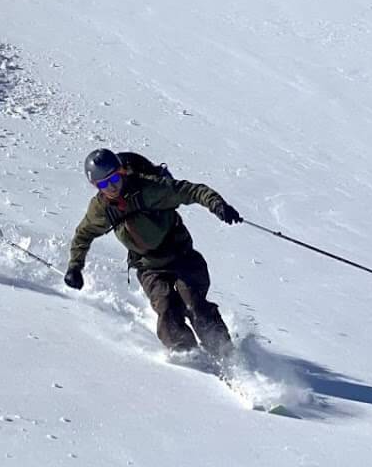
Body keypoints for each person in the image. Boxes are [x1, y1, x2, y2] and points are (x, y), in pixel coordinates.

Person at [62, 148, 243, 357]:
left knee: (194, 303)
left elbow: (190, 191)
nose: (111, 187)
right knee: (166, 309)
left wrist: (217, 205)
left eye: (114, 179)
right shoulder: (101, 209)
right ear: (96, 186)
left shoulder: (149, 189)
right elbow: (84, 234)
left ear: (121, 172)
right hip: (149, 266)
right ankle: (188, 355)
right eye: (103, 184)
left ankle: (225, 352)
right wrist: (75, 267)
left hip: (182, 256)